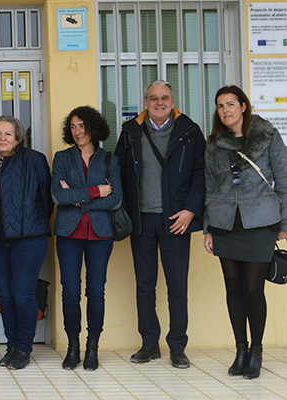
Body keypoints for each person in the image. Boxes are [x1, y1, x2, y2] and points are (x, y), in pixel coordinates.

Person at [115, 80, 205, 369]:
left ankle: (177, 347)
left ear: (173, 100)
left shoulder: (189, 131)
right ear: (145, 103)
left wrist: (191, 210)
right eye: (153, 98)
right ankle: (149, 344)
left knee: (177, 287)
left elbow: (201, 175)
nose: (159, 102)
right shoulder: (130, 132)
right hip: (141, 220)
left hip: (176, 220)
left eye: (164, 97)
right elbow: (118, 172)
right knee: (145, 286)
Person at [202, 85, 287, 379]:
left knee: (253, 289)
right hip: (226, 224)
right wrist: (208, 228)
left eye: (230, 104)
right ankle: (240, 349)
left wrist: (285, 224)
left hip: (261, 223)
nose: (225, 110)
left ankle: (257, 351)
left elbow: (284, 179)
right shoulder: (214, 145)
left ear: (243, 106)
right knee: (233, 290)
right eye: (220, 106)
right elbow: (210, 188)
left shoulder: (268, 136)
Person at [0, 115, 52, 370]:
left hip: (28, 238)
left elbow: (46, 199)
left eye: (8, 134)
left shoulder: (34, 160)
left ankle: (23, 349)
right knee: (5, 295)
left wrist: (30, 223)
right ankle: (12, 345)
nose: (3, 138)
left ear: (18, 137)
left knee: (23, 294)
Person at [51, 106, 121, 371]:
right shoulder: (62, 158)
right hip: (68, 234)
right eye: (73, 126)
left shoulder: (109, 160)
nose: (77, 131)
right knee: (70, 293)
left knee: (96, 292)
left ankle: (92, 347)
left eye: (82, 126)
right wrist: (94, 191)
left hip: (100, 234)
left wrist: (78, 198)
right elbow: (58, 197)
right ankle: (73, 347)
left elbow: (115, 199)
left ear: (94, 128)